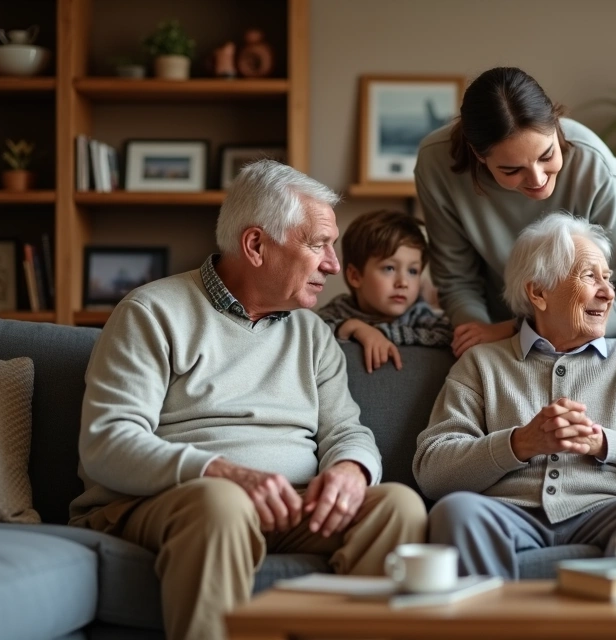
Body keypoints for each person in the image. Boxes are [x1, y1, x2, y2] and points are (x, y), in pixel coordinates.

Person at [69, 161, 428, 640]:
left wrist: (350, 470)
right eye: (318, 243)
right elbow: (107, 443)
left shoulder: (312, 333)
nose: (333, 264)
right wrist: (223, 472)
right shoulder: (151, 312)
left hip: (291, 505)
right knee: (222, 503)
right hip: (170, 502)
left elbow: (347, 430)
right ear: (256, 245)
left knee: (398, 506)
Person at [414, 212, 616, 579]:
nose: (608, 293)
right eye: (590, 276)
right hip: (508, 512)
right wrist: (518, 444)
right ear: (538, 292)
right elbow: (432, 470)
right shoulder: (482, 363)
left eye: (608, 279)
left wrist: (608, 444)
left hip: (607, 510)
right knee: (457, 513)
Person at [414, 66, 616, 357]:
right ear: (478, 155)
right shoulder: (435, 163)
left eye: (547, 155)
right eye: (512, 169)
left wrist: (520, 330)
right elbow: (457, 282)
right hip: (494, 343)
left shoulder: (593, 165)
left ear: (556, 123)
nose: (537, 180)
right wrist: (487, 354)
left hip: (583, 340)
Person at [317, 209, 453, 372]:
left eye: (413, 271)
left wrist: (379, 332)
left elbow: (446, 336)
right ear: (355, 276)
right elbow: (311, 332)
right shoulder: (339, 309)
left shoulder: (419, 314)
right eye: (389, 268)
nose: (403, 283)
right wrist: (354, 327)